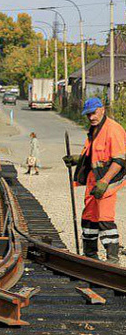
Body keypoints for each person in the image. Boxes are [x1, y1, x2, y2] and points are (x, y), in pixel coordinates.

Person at [64, 97, 126, 264]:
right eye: (88, 114)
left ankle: (112, 259)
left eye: (94, 113)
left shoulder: (113, 129)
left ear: (102, 109)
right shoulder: (95, 129)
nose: (91, 117)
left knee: (104, 218)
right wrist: (78, 159)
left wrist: (105, 181)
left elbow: (120, 160)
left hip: (107, 181)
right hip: (94, 181)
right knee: (89, 217)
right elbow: (96, 155)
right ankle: (90, 255)